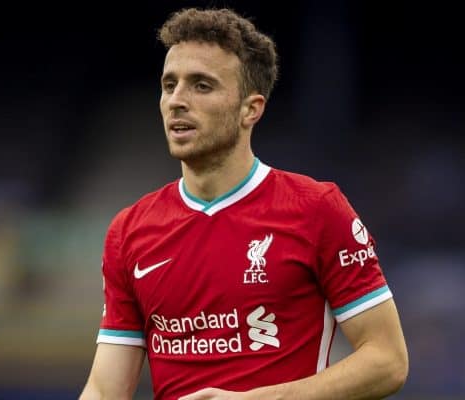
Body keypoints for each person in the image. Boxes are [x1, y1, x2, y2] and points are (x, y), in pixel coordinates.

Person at [79, 6, 408, 400]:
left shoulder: (318, 209)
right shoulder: (129, 230)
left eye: (202, 85)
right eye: (169, 85)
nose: (177, 101)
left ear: (251, 109)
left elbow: (388, 361)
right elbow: (105, 389)